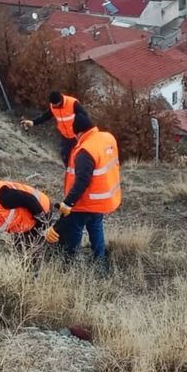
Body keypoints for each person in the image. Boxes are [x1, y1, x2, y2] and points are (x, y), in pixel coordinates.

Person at [55, 113, 121, 274]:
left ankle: (68, 264)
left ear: (78, 133)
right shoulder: (106, 138)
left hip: (84, 202)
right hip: (101, 200)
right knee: (96, 228)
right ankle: (100, 264)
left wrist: (68, 202)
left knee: (74, 231)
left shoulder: (85, 151)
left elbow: (81, 181)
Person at [21, 90, 90, 165]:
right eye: (52, 105)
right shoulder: (53, 106)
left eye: (55, 105)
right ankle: (70, 175)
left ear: (60, 101)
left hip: (77, 136)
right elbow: (46, 116)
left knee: (80, 158)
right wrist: (33, 122)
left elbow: (85, 118)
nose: (54, 107)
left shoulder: (73, 103)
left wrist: (86, 133)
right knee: (65, 157)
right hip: (65, 137)